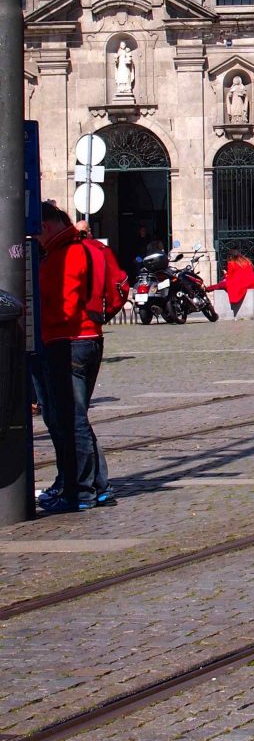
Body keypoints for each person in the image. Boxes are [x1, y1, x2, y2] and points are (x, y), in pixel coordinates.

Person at [35, 200, 117, 513]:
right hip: (86, 338)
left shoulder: (64, 254)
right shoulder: (80, 247)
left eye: (37, 234)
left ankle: (81, 490)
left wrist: (33, 318)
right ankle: (96, 487)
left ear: (45, 226)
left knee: (73, 419)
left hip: (68, 340)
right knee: (78, 417)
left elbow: (64, 305)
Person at [206, 248, 254, 315]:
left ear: (230, 257)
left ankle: (207, 289)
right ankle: (207, 289)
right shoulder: (247, 261)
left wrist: (225, 273)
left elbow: (229, 278)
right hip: (252, 283)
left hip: (239, 284)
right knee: (223, 283)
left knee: (221, 284)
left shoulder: (232, 263)